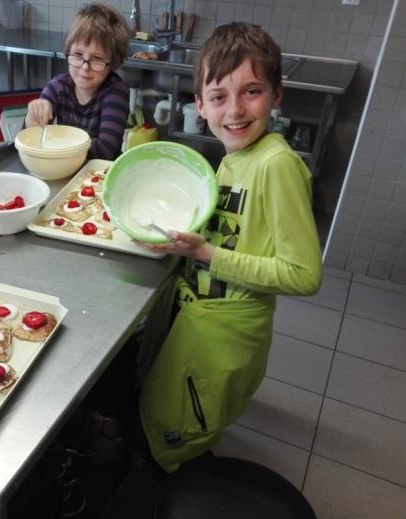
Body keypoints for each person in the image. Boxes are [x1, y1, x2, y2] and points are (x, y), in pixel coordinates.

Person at [136, 22, 323, 474]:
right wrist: (184, 246)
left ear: (277, 95)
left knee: (187, 421)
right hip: (199, 317)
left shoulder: (276, 164)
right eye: (219, 97)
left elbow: (304, 274)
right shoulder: (235, 159)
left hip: (226, 331)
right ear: (199, 105)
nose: (235, 110)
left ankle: (179, 487)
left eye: (252, 92)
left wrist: (206, 255)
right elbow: (227, 231)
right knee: (168, 405)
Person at [24, 3, 130, 161]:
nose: (85, 67)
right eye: (78, 55)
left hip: (99, 175)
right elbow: (32, 141)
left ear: (112, 63)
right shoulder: (58, 86)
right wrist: (32, 120)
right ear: (68, 51)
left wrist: (56, 148)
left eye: (97, 59)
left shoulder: (116, 92)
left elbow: (104, 150)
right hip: (65, 169)